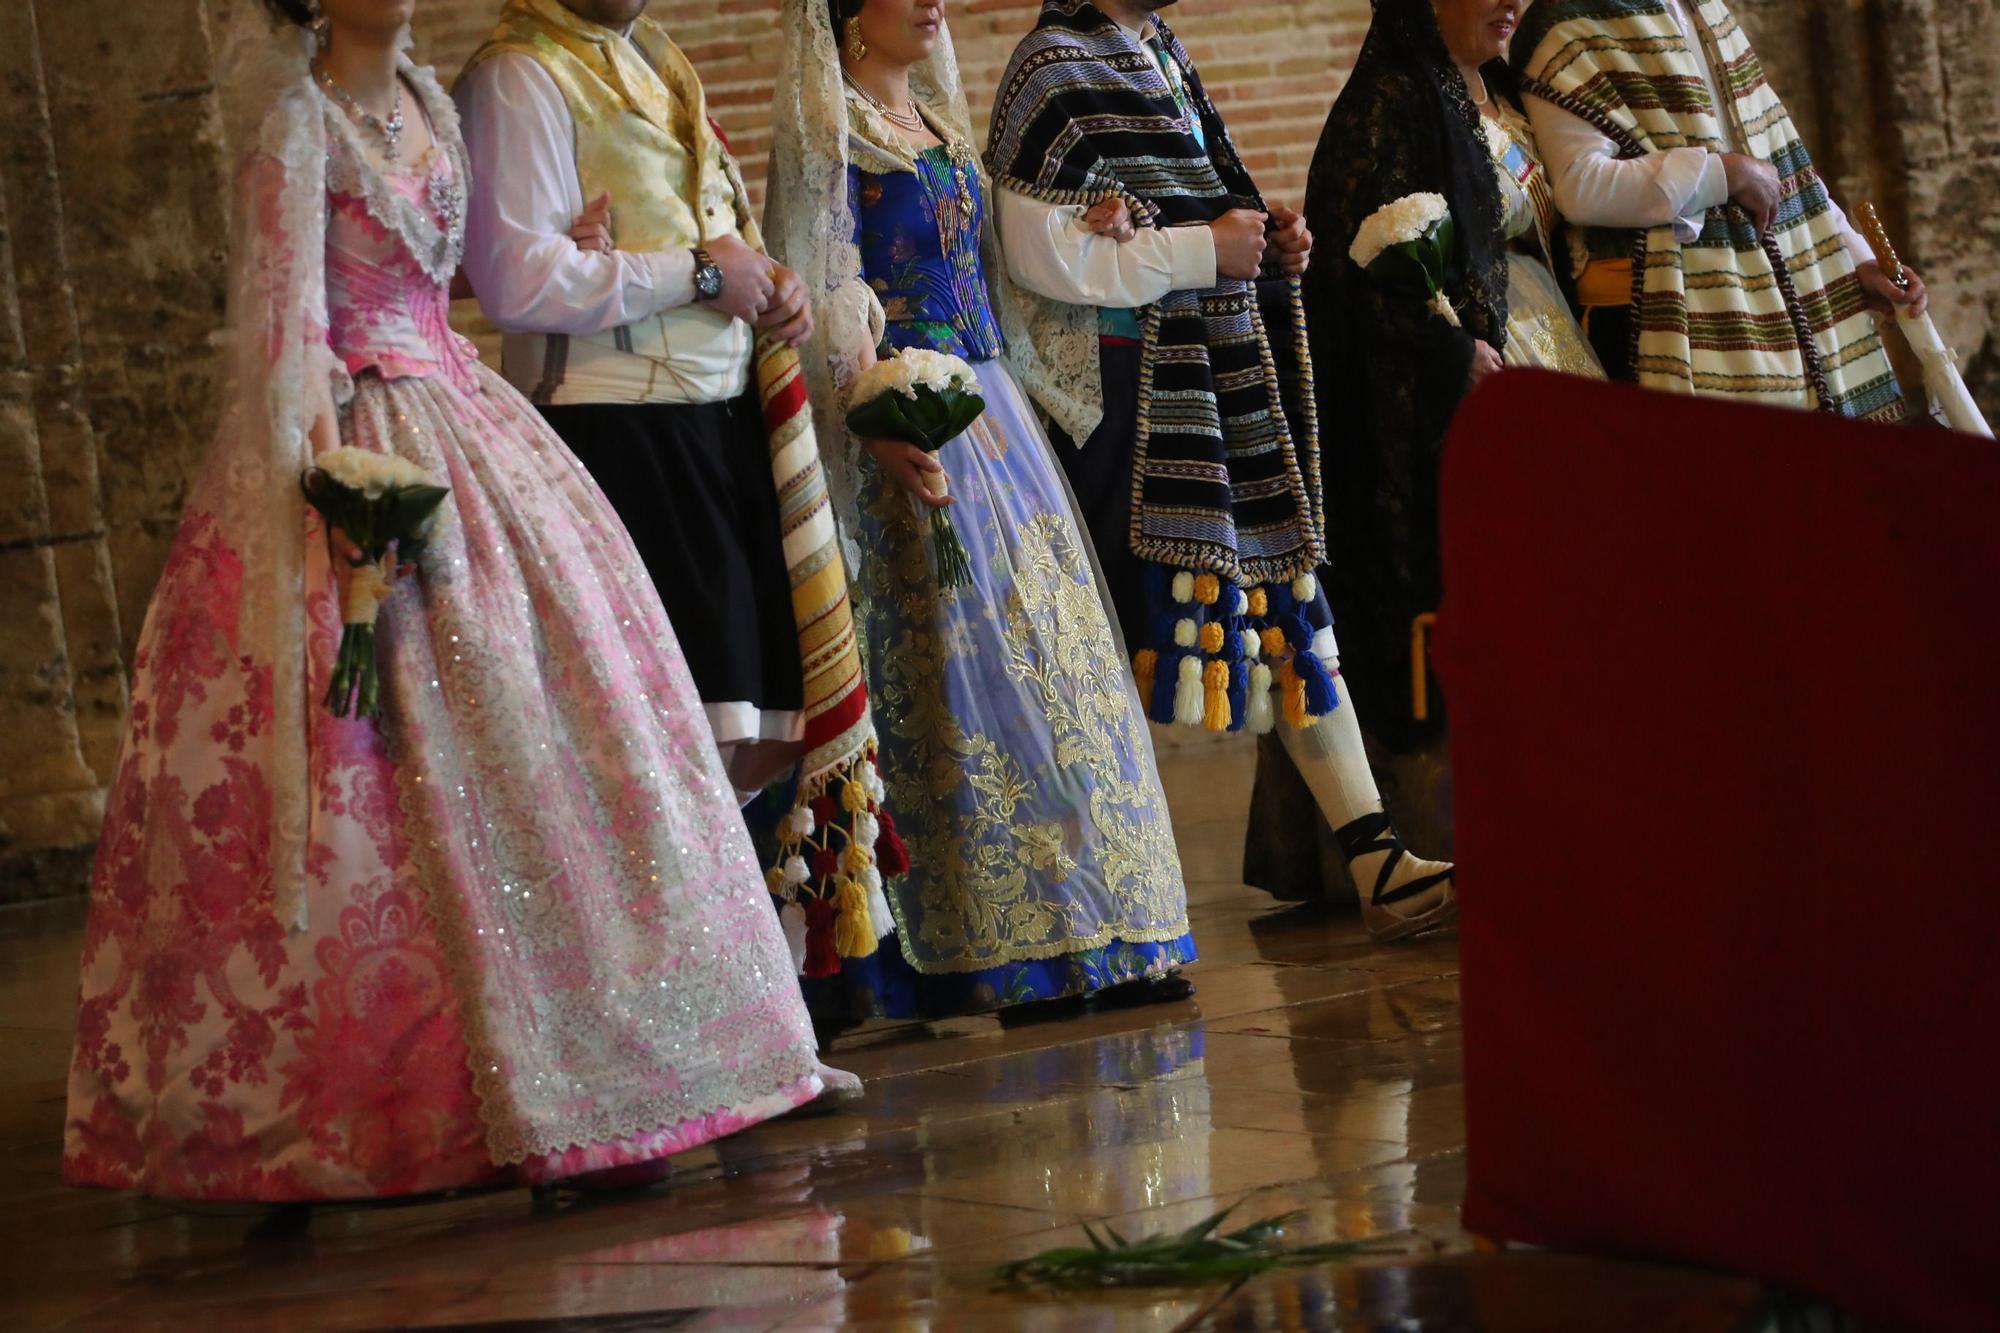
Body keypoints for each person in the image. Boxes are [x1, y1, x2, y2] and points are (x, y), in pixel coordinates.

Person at [62, 0, 845, 1202]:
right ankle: (407, 1102)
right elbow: (289, 329)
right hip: (359, 434)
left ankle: (627, 1058)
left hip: (465, 410)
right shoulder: (296, 126)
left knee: (565, 730)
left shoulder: (432, 109)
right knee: (385, 759)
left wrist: (585, 247)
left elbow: (487, 275)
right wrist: (332, 495)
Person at [456, 0, 903, 993]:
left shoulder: (649, 55)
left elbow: (713, 229)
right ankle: (708, 996)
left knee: (749, 726)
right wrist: (699, 272)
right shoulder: (519, 74)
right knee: (677, 735)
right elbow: (515, 280)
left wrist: (767, 284)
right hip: (616, 426)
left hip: (714, 416)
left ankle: (753, 999)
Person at [763, 0, 1195, 1025]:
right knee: (969, 675)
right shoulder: (834, 136)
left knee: (1054, 661)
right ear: (849, 15)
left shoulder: (944, 130)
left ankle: (1106, 924)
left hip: (992, 408)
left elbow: (990, 276)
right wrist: (867, 401)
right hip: (909, 416)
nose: (932, 4)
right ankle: (1002, 943)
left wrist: (1091, 228)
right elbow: (823, 277)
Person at [988, 0, 1456, 942]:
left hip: (1210, 371)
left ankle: (1373, 855)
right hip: (1126, 390)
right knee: (1113, 637)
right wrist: (1207, 247)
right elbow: (1040, 256)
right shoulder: (1052, 67)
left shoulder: (1160, 53)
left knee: (1287, 598)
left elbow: (1192, 204)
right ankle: (1083, 896)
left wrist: (1265, 243)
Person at [1244, 0, 1605, 897]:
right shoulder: (1392, 102)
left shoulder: (1503, 95)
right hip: (1458, 382)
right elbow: (1348, 275)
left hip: (1547, 344)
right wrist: (1446, 348)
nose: (1507, 0)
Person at [1514, 0, 1924, 414]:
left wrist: (1853, 261)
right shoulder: (1563, 22)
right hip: (1653, 322)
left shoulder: (1706, 10)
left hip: (1773, 320)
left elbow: (1776, 157)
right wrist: (1723, 176)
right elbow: (1580, 187)